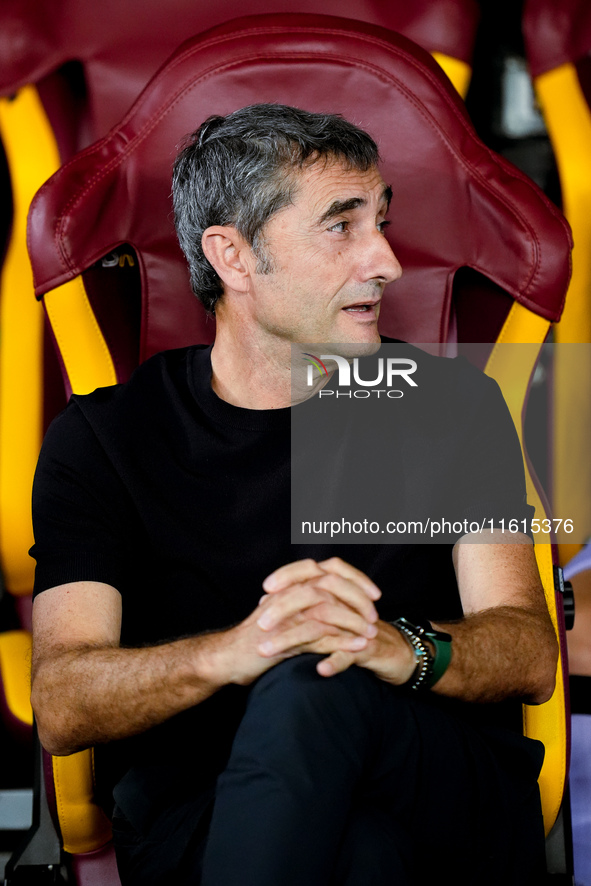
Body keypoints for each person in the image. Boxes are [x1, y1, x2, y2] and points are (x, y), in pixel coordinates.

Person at [29, 104, 558, 885]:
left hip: (434, 785)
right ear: (233, 256)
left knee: (317, 689)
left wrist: (389, 646)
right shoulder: (104, 439)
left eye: (380, 221)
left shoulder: (451, 408)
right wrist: (240, 651)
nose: (384, 261)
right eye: (340, 227)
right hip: (206, 811)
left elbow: (528, 651)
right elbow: (64, 702)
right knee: (358, 855)